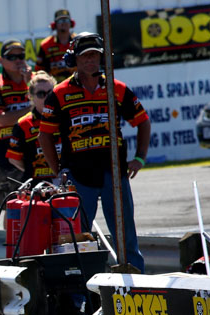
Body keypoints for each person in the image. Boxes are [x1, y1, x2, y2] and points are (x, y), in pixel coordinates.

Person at [38, 33, 151, 272]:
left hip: (114, 174)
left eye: (95, 55)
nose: (90, 60)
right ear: (74, 59)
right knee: (77, 236)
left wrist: (140, 158)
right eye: (85, 56)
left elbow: (143, 121)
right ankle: (80, 286)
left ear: (102, 58)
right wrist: (58, 170)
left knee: (125, 235)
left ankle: (136, 281)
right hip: (78, 177)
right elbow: (44, 135)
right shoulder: (59, 93)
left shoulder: (117, 88)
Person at [0, 40, 31, 206]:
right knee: (12, 208)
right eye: (12, 57)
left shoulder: (36, 82)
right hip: (5, 156)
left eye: (21, 56)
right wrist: (32, 108)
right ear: (1, 60)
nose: (17, 60)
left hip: (35, 154)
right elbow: (1, 120)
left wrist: (30, 84)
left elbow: (47, 113)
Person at [6, 72, 58, 182]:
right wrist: (32, 171)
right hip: (38, 184)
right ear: (30, 96)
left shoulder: (66, 117)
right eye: (41, 94)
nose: (46, 97)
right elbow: (14, 159)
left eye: (50, 93)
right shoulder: (23, 124)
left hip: (67, 181)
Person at [36, 9, 77, 83]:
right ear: (54, 25)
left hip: (76, 84)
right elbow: (39, 71)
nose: (64, 23)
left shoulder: (78, 41)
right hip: (54, 86)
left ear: (71, 23)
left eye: (66, 20)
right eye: (60, 21)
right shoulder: (46, 45)